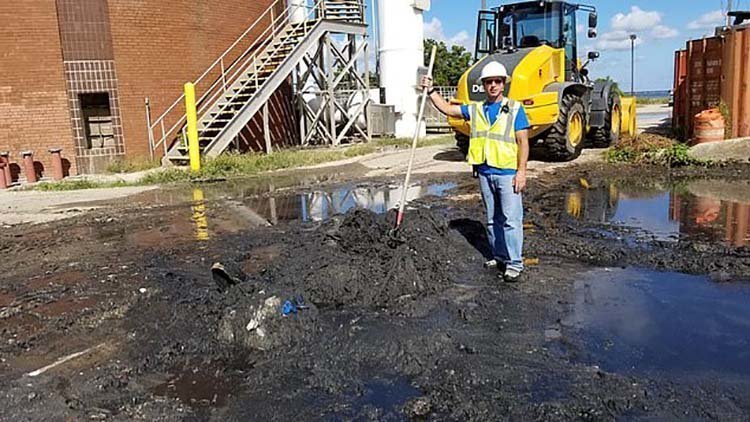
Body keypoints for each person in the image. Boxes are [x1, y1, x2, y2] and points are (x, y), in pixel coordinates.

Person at [421, 61, 529, 282]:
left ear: (503, 84)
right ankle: (499, 256)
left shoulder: (515, 108)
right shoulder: (477, 109)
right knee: (492, 219)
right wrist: (431, 91)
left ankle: (515, 264)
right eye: (489, 82)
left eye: (497, 81)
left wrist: (522, 172)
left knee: (511, 219)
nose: (493, 86)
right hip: (485, 172)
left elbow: (523, 142)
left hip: (507, 173)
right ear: (484, 85)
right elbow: (449, 109)